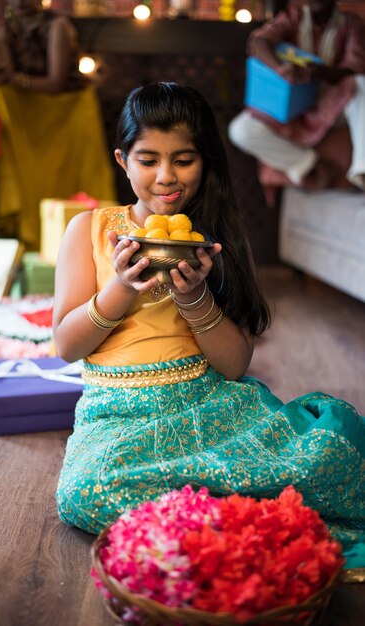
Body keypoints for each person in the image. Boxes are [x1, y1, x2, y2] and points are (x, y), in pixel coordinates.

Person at [54, 82, 364, 569]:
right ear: (122, 160)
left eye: (183, 159)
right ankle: (237, 523)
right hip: (115, 414)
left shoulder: (213, 240)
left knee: (327, 461)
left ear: (205, 161)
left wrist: (194, 297)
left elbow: (235, 364)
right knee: (83, 493)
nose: (165, 177)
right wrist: (120, 287)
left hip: (205, 402)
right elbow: (66, 346)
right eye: (147, 159)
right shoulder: (90, 230)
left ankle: (217, 515)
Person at [0, 0, 116, 250]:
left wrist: (12, 79)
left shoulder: (57, 26)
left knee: (2, 91)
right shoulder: (6, 31)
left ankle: (92, 239)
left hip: (67, 104)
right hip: (28, 107)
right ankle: (16, 219)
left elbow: (55, 82)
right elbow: (11, 77)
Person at [228, 0, 365, 192]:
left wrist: (321, 72)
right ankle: (309, 165)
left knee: (361, 84)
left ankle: (362, 170)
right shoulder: (293, 17)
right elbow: (258, 41)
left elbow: (356, 69)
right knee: (240, 131)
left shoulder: (350, 24)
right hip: (290, 105)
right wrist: (279, 69)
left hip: (329, 104)